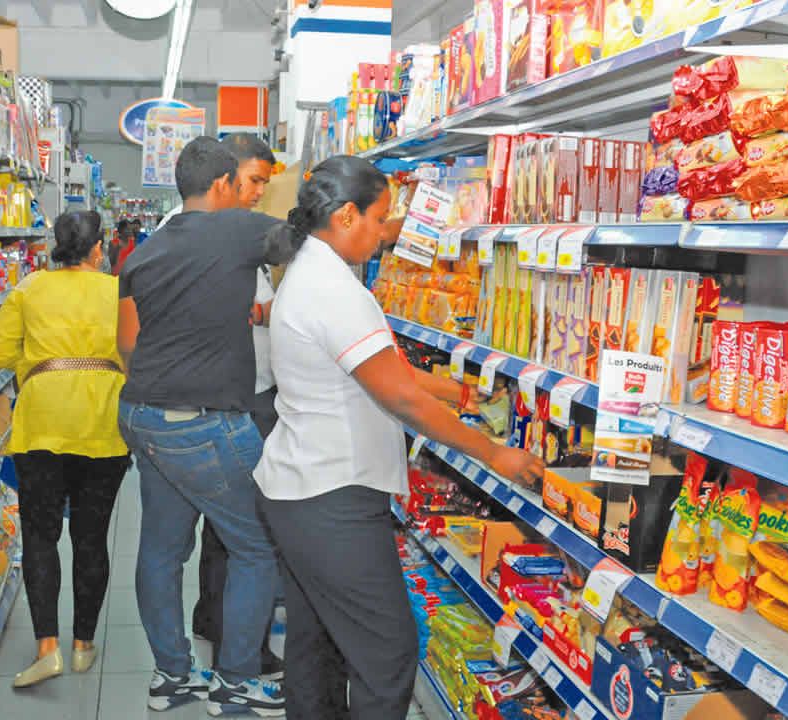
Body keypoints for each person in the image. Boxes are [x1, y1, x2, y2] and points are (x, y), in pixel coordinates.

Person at [254, 156, 546, 719]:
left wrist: (460, 393)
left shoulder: (315, 273)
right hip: (331, 499)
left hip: (301, 490)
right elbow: (402, 397)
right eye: (380, 217)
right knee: (388, 654)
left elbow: (381, 367)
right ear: (346, 215)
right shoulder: (332, 290)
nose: (387, 231)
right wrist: (494, 453)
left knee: (318, 645)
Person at [117, 137, 292, 716]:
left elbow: (127, 342)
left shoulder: (145, 251)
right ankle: (236, 681)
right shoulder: (235, 229)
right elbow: (309, 237)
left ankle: (171, 676)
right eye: (245, 184)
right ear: (223, 184)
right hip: (203, 421)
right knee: (257, 546)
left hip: (142, 414)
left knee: (162, 550)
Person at [154, 134, 282, 679]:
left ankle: (214, 621)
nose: (257, 193)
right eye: (252, 181)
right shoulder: (205, 234)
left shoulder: (237, 231)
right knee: (247, 534)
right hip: (224, 401)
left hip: (239, 394)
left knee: (218, 531)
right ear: (224, 178)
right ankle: (240, 658)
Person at [0, 210, 131, 688]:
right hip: (103, 423)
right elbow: (135, 350)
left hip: (42, 422)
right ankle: (83, 646)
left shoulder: (29, 288)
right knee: (91, 537)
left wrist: (37, 364)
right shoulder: (118, 291)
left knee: (40, 534)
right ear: (98, 248)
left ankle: (46, 649)